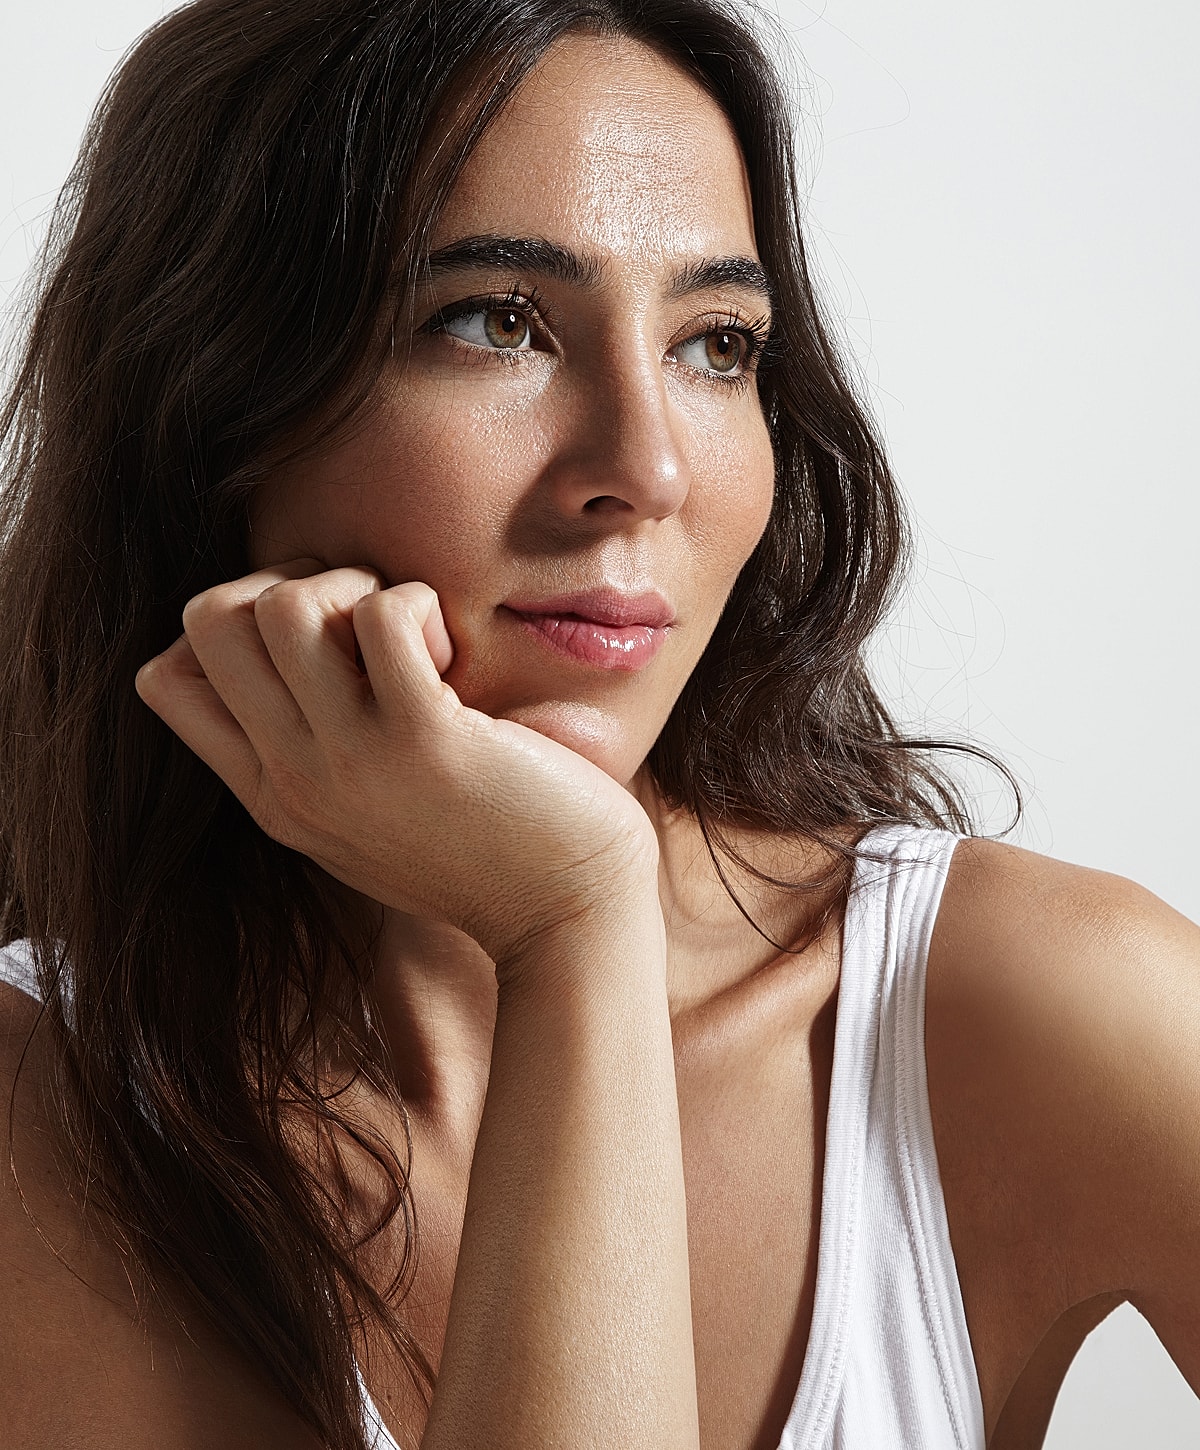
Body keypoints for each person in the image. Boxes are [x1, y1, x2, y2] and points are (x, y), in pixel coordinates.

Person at [0, 1, 1197, 1448]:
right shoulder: (41, 1111)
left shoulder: (1032, 1013)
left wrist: (571, 918)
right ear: (210, 399)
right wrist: (573, 924)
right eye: (496, 321)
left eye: (716, 344)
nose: (648, 464)